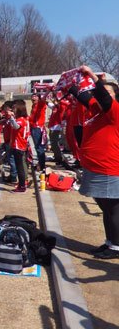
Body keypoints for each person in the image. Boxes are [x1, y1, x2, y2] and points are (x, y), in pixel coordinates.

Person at [73, 66, 119, 259]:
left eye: (109, 92)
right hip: (94, 168)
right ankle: (110, 242)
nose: (102, 95)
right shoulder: (97, 111)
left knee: (113, 209)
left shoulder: (114, 111)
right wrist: (71, 84)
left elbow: (103, 96)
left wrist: (92, 75)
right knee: (105, 208)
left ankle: (116, 246)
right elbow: (83, 96)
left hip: (108, 168)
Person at [8, 99, 30, 192]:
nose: (13, 110)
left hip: (19, 146)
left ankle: (22, 186)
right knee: (19, 166)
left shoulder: (21, 120)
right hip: (18, 145)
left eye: (14, 108)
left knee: (20, 167)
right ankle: (21, 184)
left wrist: (11, 117)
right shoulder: (21, 119)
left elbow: (16, 126)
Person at [29, 93, 47, 171]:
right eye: (32, 96)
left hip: (38, 128)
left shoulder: (40, 104)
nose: (33, 98)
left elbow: (43, 100)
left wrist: (48, 91)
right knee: (37, 147)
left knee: (39, 147)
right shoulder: (34, 105)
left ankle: (42, 165)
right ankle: (40, 163)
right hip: (33, 127)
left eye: (35, 96)